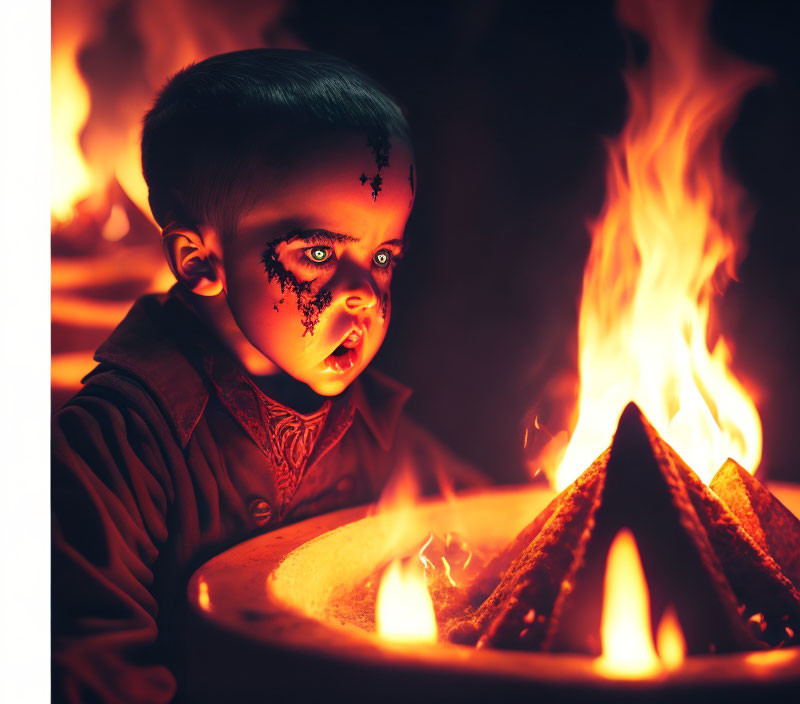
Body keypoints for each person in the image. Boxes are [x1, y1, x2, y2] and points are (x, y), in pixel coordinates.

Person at [51, 49, 486, 704]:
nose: (366, 294)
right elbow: (94, 662)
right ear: (200, 262)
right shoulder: (118, 445)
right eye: (318, 253)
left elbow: (484, 529)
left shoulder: (375, 427)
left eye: (384, 256)